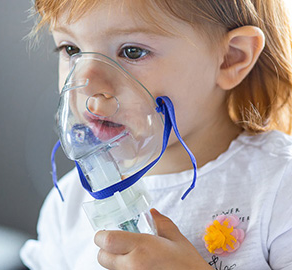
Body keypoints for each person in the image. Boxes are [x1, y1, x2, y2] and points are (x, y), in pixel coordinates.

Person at [21, 0, 292, 269]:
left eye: (132, 51)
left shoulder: (279, 186)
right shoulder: (67, 206)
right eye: (71, 49)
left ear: (231, 58)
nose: (86, 84)